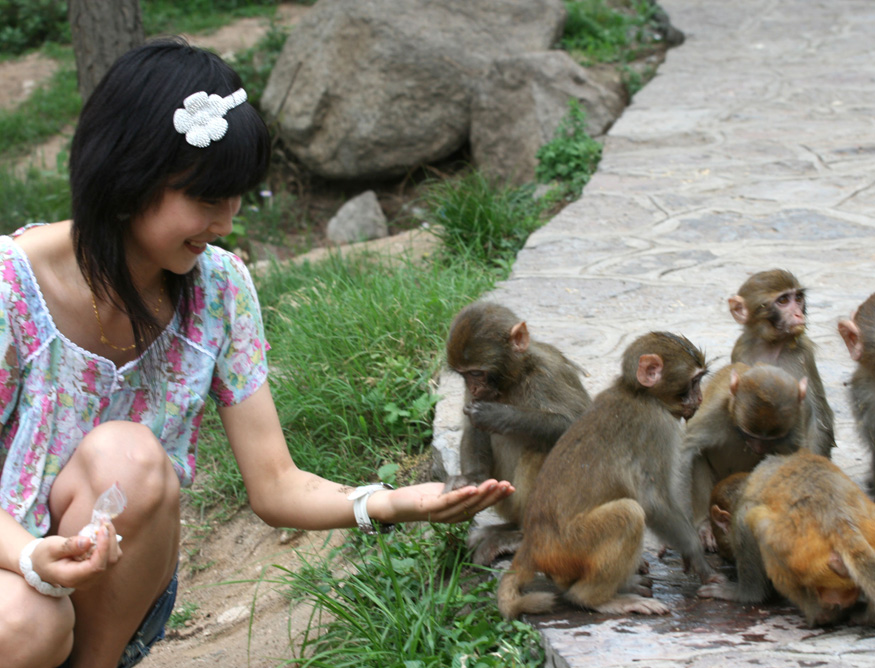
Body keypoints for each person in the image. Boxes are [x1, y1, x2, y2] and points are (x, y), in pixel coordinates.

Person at [0, 38, 513, 668]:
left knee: (128, 455)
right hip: (8, 567)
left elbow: (274, 484)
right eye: (207, 200)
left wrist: (390, 501)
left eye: (235, 198)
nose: (225, 222)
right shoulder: (11, 287)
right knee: (26, 620)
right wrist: (26, 556)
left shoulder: (218, 288)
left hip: (116, 586)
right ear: (129, 177)